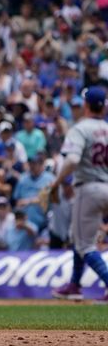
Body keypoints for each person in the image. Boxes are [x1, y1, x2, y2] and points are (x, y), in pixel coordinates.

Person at [49, 87, 108, 301]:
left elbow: (73, 160)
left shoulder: (80, 128)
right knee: (78, 236)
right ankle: (74, 284)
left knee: (85, 245)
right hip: (106, 187)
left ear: (85, 105)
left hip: (88, 188)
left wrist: (56, 182)